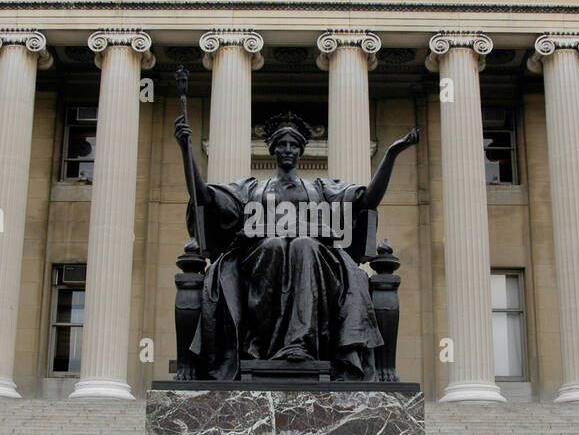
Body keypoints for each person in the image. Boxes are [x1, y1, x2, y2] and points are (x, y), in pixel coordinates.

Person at [173, 113, 419, 380]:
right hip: (260, 258)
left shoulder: (322, 189)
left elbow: (367, 199)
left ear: (301, 151)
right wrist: (186, 149)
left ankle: (299, 344)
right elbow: (204, 197)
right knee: (274, 245)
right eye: (282, 144)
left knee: (304, 245)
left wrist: (391, 155)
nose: (287, 149)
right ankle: (257, 346)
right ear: (273, 150)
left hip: (317, 262)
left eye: (293, 145)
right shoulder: (252, 189)